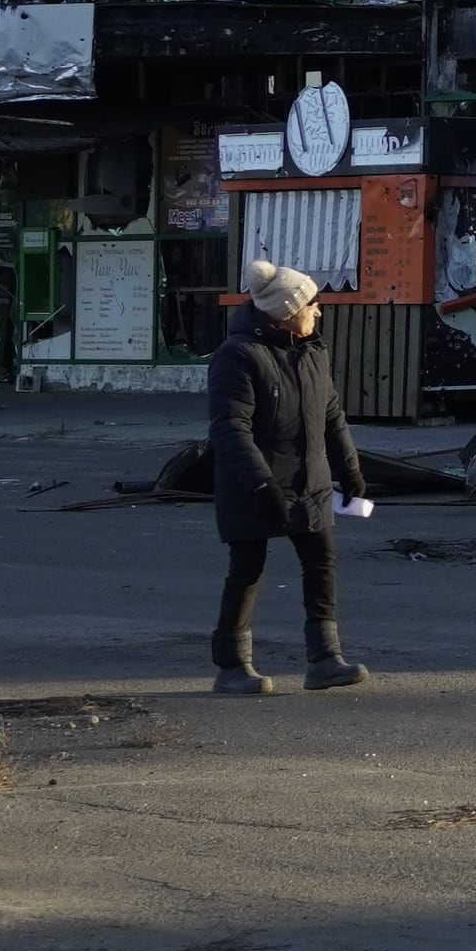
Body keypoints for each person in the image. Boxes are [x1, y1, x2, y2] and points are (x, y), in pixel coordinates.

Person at [205, 258, 373, 693]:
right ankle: (232, 668)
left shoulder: (313, 350)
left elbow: (331, 414)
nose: (318, 311)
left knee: (322, 562)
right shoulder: (238, 355)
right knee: (247, 569)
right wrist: (260, 485)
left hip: (310, 481)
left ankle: (325, 659)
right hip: (252, 483)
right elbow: (230, 428)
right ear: (286, 311)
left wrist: (349, 470)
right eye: (312, 304)